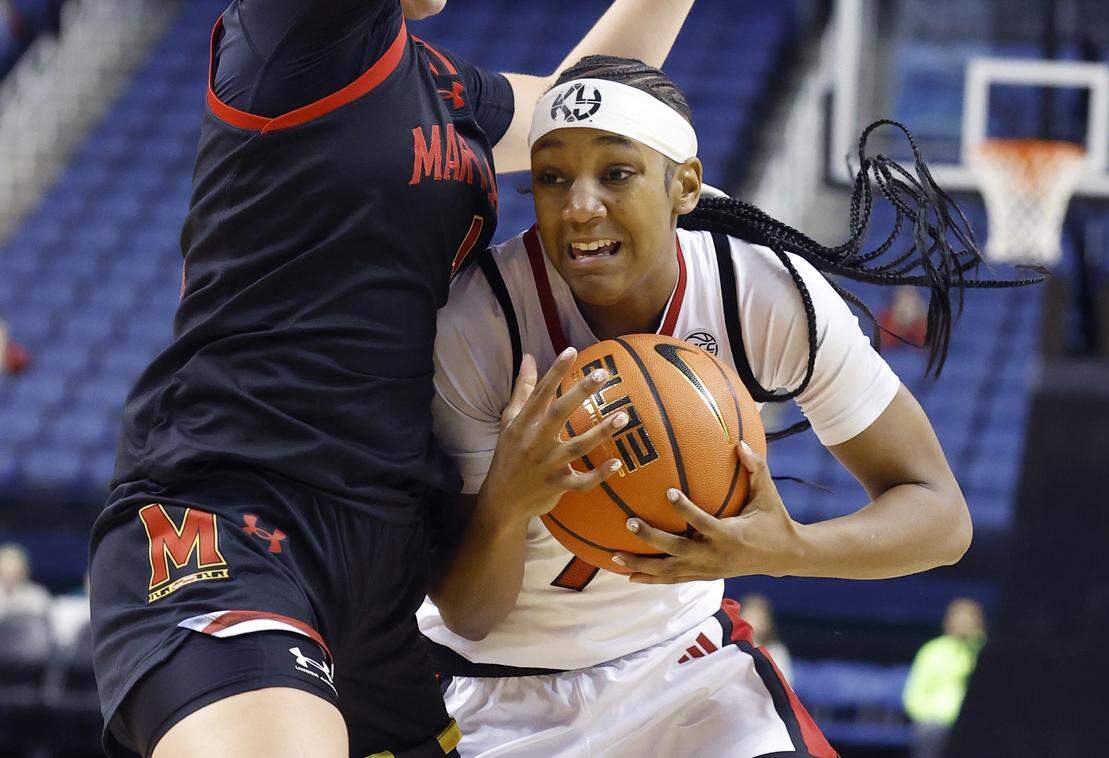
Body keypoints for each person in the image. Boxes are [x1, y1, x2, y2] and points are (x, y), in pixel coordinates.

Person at [87, 3, 697, 757]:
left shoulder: (442, 84)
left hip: (385, 562)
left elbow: (586, 102)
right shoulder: (300, 32)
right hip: (233, 519)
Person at [417, 56, 1035, 757]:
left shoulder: (760, 295)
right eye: (552, 178)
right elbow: (467, 613)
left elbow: (939, 517)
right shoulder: (478, 323)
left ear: (683, 184)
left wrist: (790, 549)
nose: (579, 205)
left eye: (616, 174)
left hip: (684, 670)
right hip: (496, 691)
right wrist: (506, 501)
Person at [903, 597, 987, 758]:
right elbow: (914, 694)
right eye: (959, 619)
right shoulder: (933, 650)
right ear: (949, 621)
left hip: (976, 722)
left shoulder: (984, 651)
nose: (964, 624)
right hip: (935, 722)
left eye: (969, 619)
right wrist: (928, 716)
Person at [740, 593, 794, 686]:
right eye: (749, 615)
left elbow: (785, 684)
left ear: (766, 622)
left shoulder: (776, 651)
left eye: (757, 617)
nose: (752, 621)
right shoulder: (729, 647)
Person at [0, 542, 50, 617]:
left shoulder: (37, 595)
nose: (10, 574)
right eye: (6, 569)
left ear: (24, 570)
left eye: (15, 569)